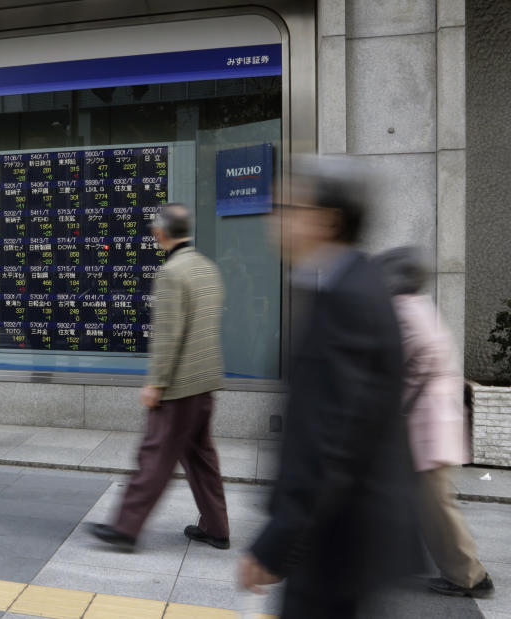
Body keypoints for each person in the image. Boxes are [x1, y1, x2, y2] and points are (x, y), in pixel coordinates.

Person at [237, 157, 423, 617]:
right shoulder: (349, 286)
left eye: (287, 206)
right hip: (340, 537)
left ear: (327, 220)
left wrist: (276, 543)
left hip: (340, 543)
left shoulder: (349, 301)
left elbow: (331, 442)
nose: (274, 217)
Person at [88, 203, 230, 552]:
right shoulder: (207, 268)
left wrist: (156, 382)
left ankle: (125, 528)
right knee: (201, 459)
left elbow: (168, 334)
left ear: (160, 232)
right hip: (206, 379)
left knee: (154, 456)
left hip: (179, 385)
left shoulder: (171, 273)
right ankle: (217, 527)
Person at [376, 247, 494, 599]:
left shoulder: (404, 313)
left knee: (435, 504)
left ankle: (469, 576)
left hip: (426, 424)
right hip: (434, 421)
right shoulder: (420, 308)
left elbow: (402, 369)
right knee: (422, 499)